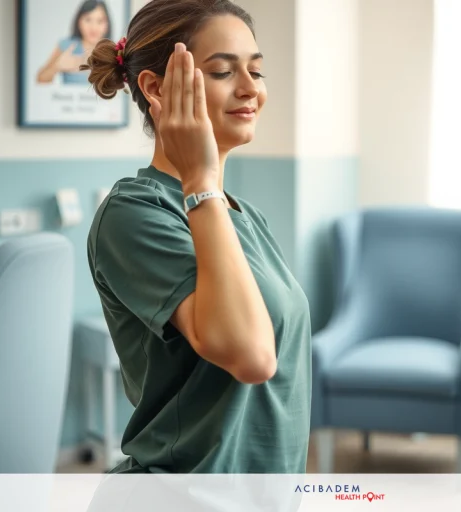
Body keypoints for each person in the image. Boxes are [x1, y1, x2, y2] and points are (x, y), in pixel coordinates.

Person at [81, 0, 312, 474]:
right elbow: (252, 358)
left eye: (257, 70)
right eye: (224, 71)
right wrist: (200, 180)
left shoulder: (243, 216)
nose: (251, 89)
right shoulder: (134, 214)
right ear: (156, 88)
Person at [37, 0, 112, 85]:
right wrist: (57, 66)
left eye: (100, 21)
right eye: (88, 19)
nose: (93, 27)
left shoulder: (114, 51)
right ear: (79, 21)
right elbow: (40, 78)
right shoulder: (67, 46)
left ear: (107, 24)